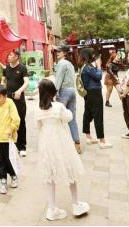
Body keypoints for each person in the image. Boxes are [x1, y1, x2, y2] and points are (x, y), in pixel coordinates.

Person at [36, 79, 90, 221]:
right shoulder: (58, 106)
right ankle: (76, 204)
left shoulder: (38, 109)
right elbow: (69, 117)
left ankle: (51, 208)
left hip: (46, 145)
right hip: (61, 143)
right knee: (70, 170)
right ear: (53, 92)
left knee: (50, 175)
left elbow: (39, 127)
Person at [78, 48, 112, 149]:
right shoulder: (88, 67)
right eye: (92, 54)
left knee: (87, 113)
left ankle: (88, 137)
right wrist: (98, 66)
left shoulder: (83, 66)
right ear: (88, 55)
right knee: (98, 116)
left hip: (88, 94)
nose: (94, 56)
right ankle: (102, 140)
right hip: (94, 93)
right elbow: (98, 76)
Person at [52, 45, 81, 154]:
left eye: (60, 51)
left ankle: (60, 144)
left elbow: (58, 79)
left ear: (65, 53)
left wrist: (54, 92)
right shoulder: (69, 63)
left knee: (59, 117)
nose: (57, 53)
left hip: (63, 91)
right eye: (57, 51)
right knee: (71, 118)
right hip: (72, 91)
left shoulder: (61, 63)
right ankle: (76, 142)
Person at [1, 50, 29, 156]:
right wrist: (1, 89)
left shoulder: (22, 68)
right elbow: (3, 80)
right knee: (9, 122)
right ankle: (12, 144)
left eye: (11, 55)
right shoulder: (6, 68)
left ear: (17, 57)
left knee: (20, 122)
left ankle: (22, 147)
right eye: (9, 54)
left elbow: (26, 82)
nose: (8, 56)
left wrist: (19, 91)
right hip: (8, 100)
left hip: (19, 100)